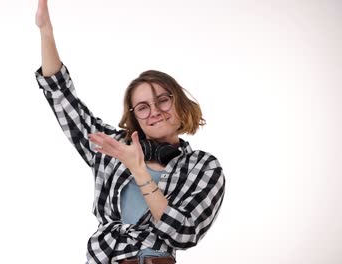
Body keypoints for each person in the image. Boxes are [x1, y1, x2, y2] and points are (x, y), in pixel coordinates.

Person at [34, 1, 226, 263]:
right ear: (134, 116)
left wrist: (139, 169)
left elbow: (184, 233)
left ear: (180, 104)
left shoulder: (203, 167)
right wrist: (46, 32)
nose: (155, 111)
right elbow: (62, 96)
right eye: (143, 107)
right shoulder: (113, 147)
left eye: (163, 99)